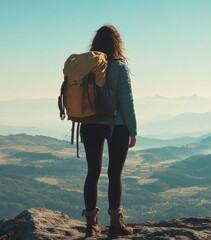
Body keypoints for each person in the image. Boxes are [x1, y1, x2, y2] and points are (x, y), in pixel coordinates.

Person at [80, 25, 137, 238]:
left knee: (92, 172)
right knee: (114, 173)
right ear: (116, 43)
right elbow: (126, 100)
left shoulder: (88, 65)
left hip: (90, 124)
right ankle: (115, 224)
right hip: (118, 125)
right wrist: (133, 129)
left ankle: (90, 224)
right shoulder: (119, 67)